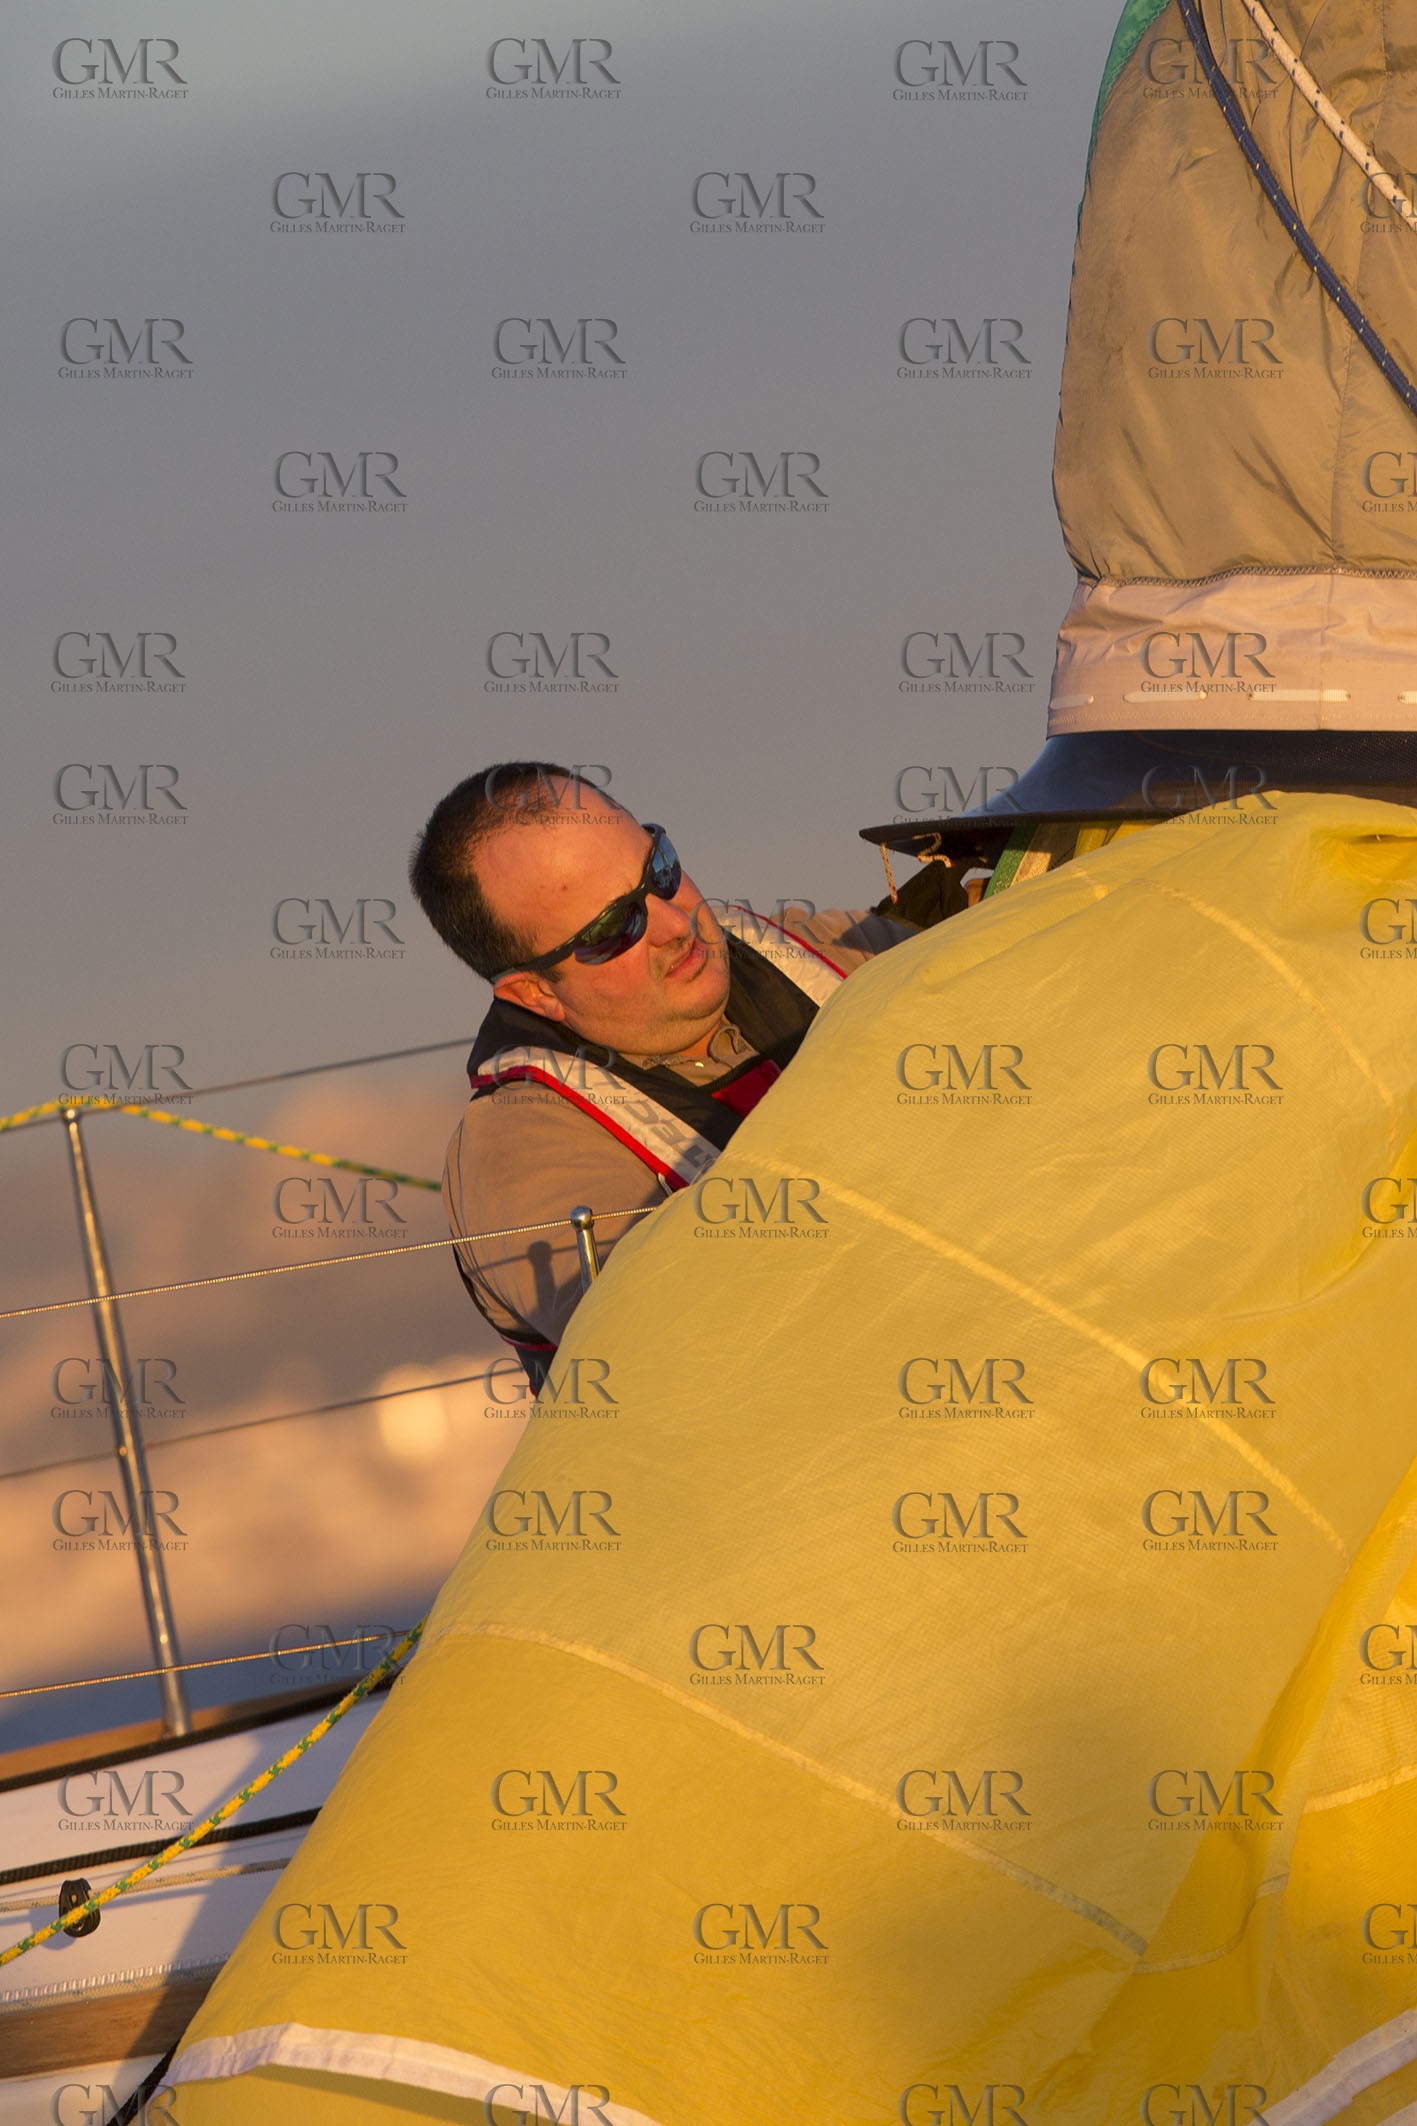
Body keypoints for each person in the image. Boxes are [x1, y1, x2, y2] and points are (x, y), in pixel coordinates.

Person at [409, 762, 914, 1375]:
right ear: (534, 993)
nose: (677, 925)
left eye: (662, 870)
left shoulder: (808, 951)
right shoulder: (518, 1153)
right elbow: (696, 1361)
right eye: (612, 930)